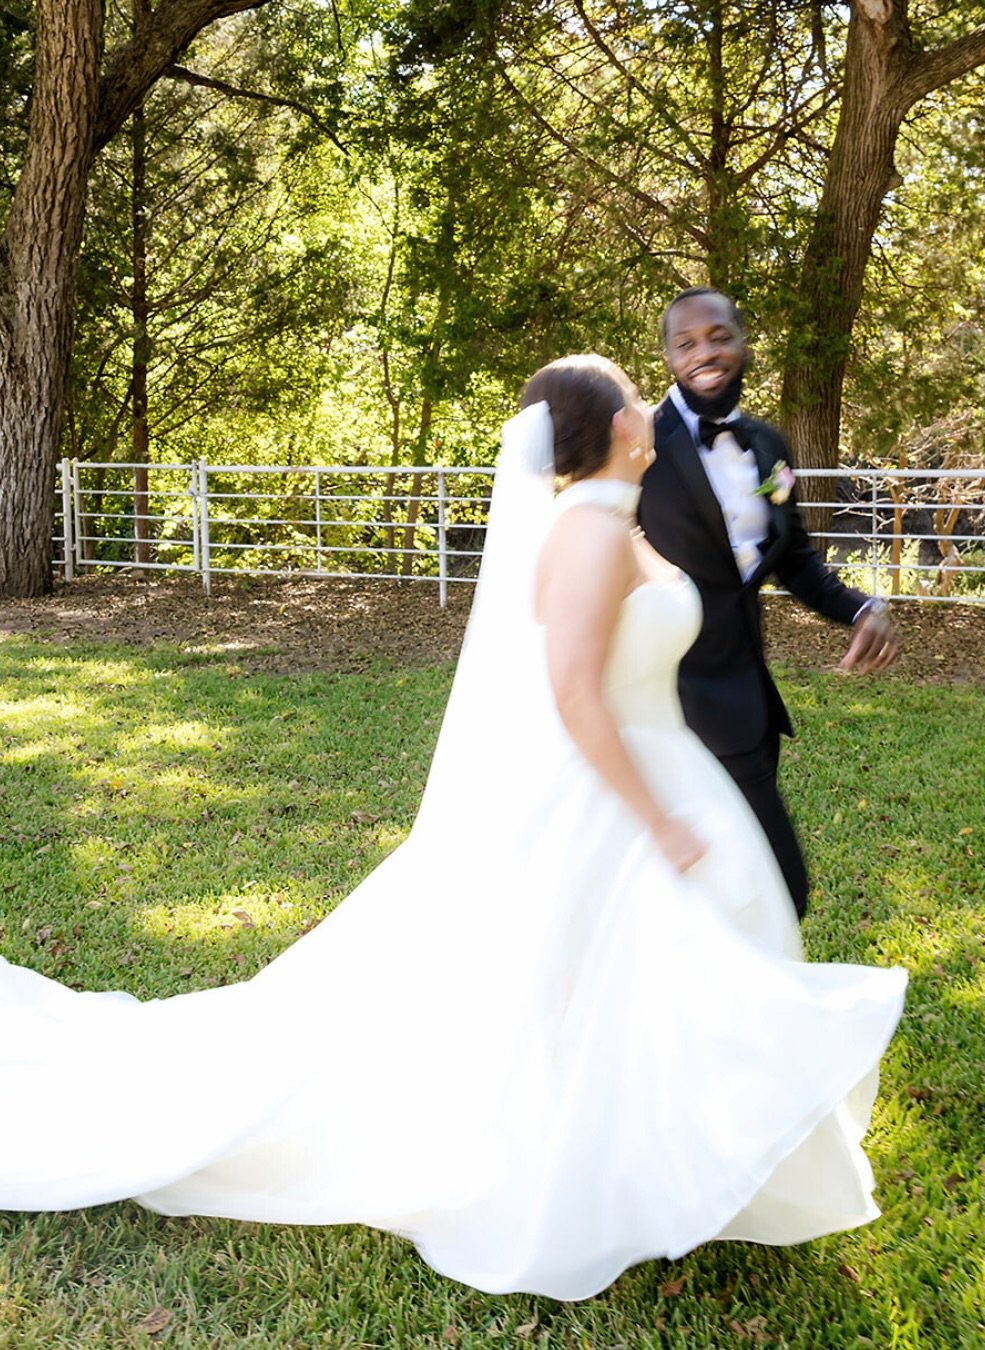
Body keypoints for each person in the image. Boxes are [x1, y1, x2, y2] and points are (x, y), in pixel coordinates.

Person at [0, 355, 906, 1303]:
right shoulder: (587, 539)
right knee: (617, 980)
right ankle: (614, 1176)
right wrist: (657, 820)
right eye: (636, 396)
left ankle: (669, 1164)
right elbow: (569, 696)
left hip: (669, 771)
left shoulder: (616, 520)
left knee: (655, 984)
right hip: (619, 797)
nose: (651, 405)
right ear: (617, 430)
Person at [639, 288, 898, 918]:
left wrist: (860, 607)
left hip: (745, 704)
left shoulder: (767, 446)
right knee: (767, 889)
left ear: (743, 340)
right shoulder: (636, 444)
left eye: (719, 335)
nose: (707, 352)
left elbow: (792, 558)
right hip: (662, 705)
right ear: (668, 358)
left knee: (760, 891)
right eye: (687, 343)